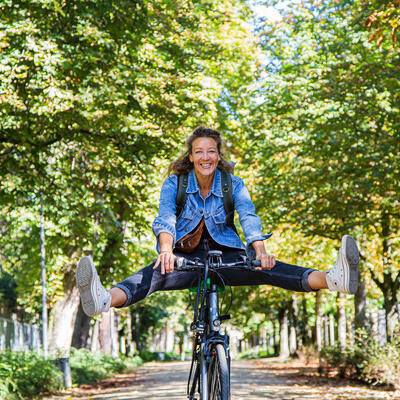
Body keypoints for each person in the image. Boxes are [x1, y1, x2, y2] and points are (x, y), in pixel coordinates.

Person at [76, 127, 360, 317]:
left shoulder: (233, 185)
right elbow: (165, 218)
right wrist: (165, 251)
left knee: (268, 268)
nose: (205, 157)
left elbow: (248, 216)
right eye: (199, 151)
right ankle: (103, 299)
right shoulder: (174, 184)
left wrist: (259, 250)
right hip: (184, 260)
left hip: (227, 258)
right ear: (191, 157)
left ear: (218, 155)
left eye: (211, 151)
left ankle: (334, 279)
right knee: (153, 275)